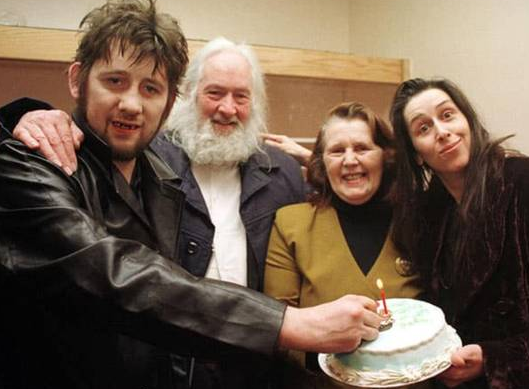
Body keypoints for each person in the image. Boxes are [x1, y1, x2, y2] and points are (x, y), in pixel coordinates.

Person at [0, 1, 385, 388]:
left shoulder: (158, 179)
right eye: (114, 81)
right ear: (77, 80)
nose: (131, 104)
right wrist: (288, 323)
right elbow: (115, 273)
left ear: (169, 101)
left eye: (150, 88)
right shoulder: (34, 162)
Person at [264, 102, 425, 389]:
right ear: (322, 163)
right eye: (337, 151)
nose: (350, 160)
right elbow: (276, 324)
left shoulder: (421, 221)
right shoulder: (291, 225)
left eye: (362, 148)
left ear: (386, 157)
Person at [389, 77, 529, 389]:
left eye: (447, 115)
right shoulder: (428, 213)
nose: (442, 131)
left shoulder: (520, 182)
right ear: (416, 154)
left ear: (468, 119)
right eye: (423, 128)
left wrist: (494, 359)